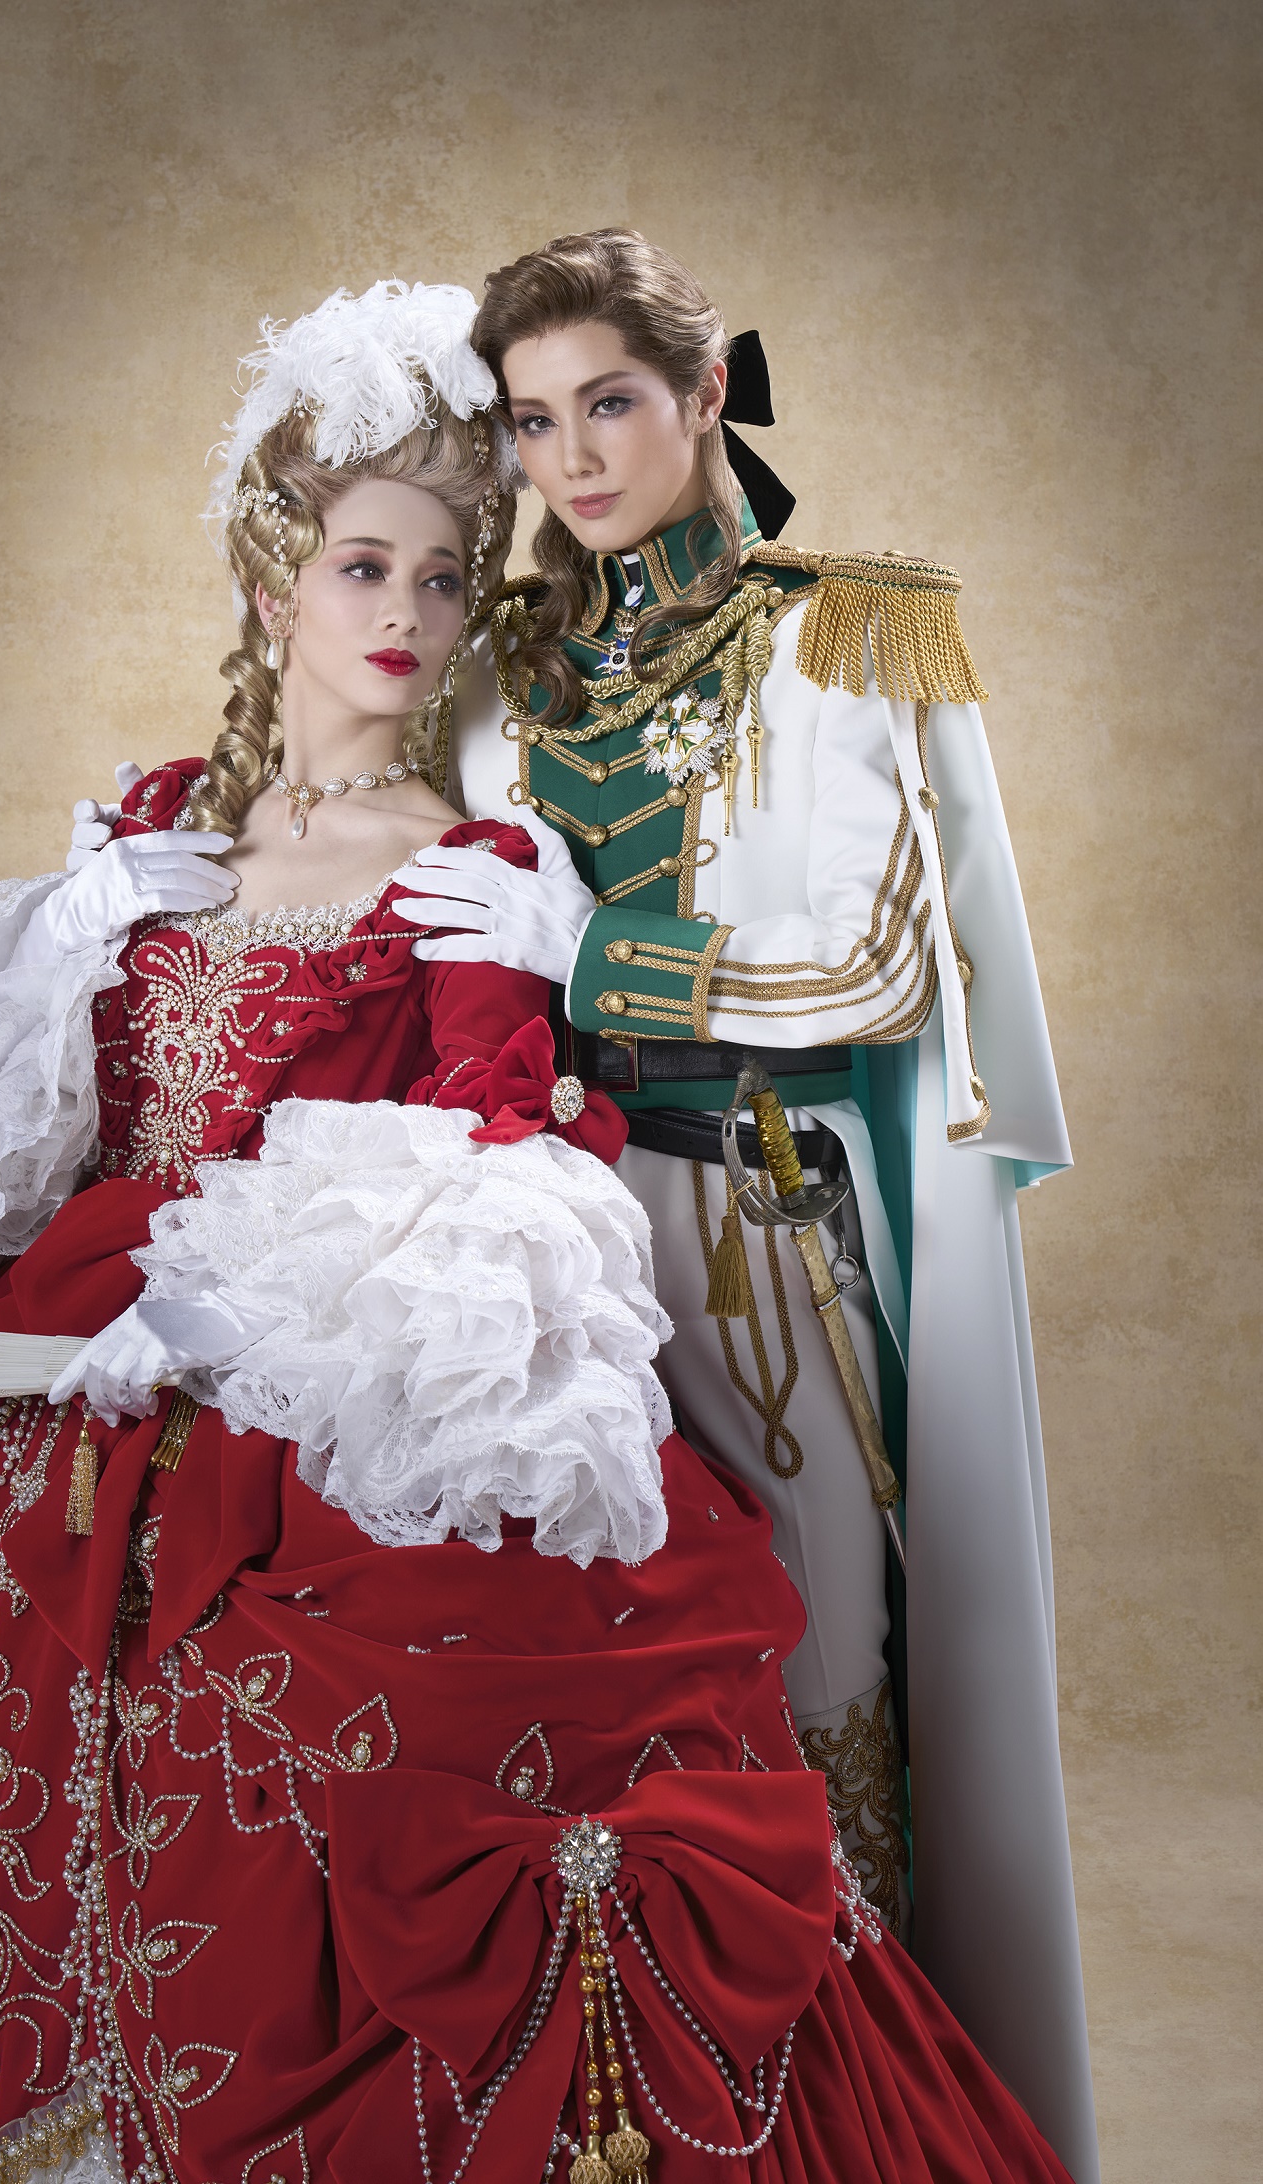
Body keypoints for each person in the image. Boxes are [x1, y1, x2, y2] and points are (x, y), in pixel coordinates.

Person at [0, 283, 1078, 2184]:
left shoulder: (479, 864)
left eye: (446, 580)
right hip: (60, 1352)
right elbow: (1, 1142)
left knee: (328, 1720)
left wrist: (220, 1320)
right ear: (270, 581)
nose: (408, 615)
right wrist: (64, 940)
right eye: (364, 567)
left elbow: (482, 1163)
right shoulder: (151, 826)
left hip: (327, 1376)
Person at [378, 230, 1096, 2184]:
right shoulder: (503, 663)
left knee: (809, 1682)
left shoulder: (850, 634)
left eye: (609, 402)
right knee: (596, 1709)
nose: (573, 460)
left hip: (764, 1232)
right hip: (555, 1250)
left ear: (706, 396)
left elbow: (875, 963)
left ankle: (854, 2125)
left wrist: (587, 949)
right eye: (534, 422)